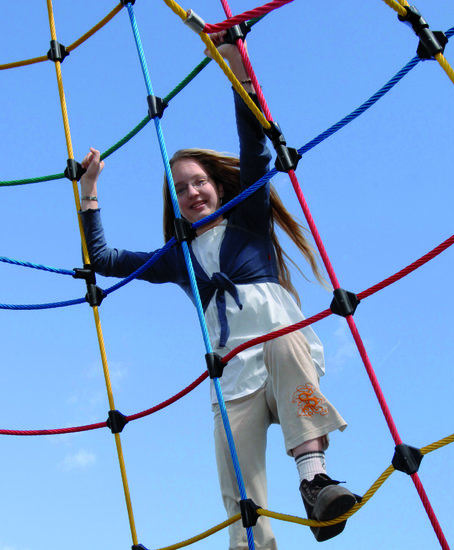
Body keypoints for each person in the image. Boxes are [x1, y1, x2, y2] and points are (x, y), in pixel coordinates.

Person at [79, 35, 356, 549]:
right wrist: (90, 192)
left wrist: (235, 68)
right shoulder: (180, 260)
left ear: (219, 186)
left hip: (281, 355)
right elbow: (105, 261)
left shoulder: (248, 217)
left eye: (198, 181)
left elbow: (252, 146)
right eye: (180, 188)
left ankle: (315, 481)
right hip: (231, 379)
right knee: (240, 500)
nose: (191, 192)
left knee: (280, 337)